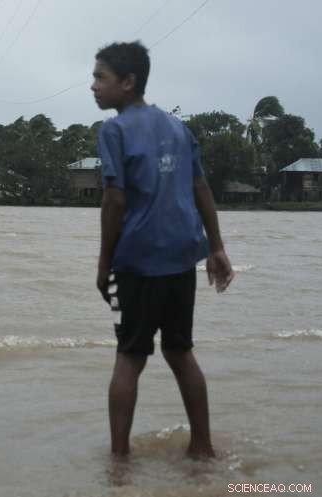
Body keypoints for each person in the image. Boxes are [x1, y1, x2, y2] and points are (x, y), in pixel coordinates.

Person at [91, 41, 234, 459]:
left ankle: (119, 461)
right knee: (180, 352)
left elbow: (114, 200)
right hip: (180, 259)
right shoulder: (177, 127)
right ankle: (202, 448)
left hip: (136, 262)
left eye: (100, 77)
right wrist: (216, 246)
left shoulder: (114, 130)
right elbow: (200, 186)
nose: (93, 86)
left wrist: (103, 264)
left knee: (129, 357)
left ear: (128, 82)